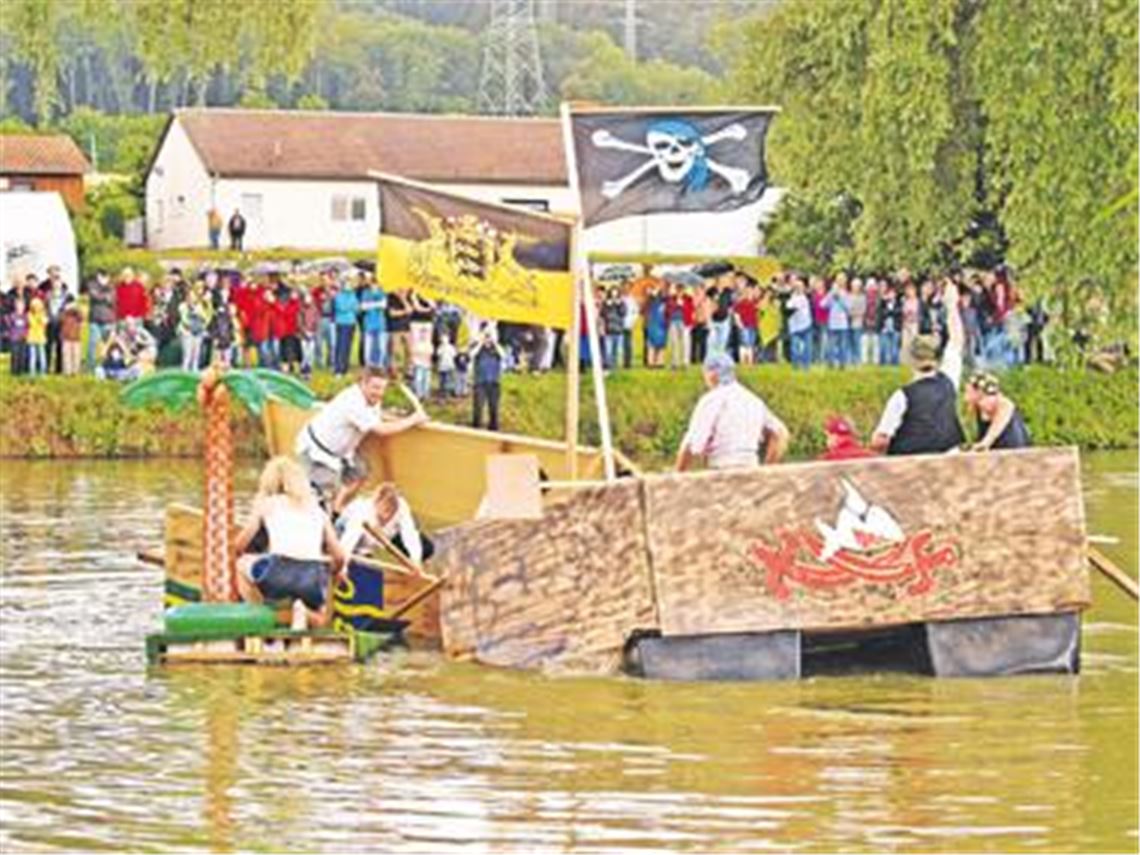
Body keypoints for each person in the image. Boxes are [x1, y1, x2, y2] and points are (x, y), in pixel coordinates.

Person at [235, 457, 348, 630]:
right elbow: (339, 556)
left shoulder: (267, 504)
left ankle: (261, 616)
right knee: (321, 618)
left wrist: (251, 556)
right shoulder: (317, 510)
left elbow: (239, 545)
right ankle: (304, 613)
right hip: (312, 578)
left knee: (241, 565)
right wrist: (335, 572)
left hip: (279, 573)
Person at [295, 367, 428, 511]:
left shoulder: (373, 399)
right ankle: (326, 512)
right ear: (363, 384)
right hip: (317, 452)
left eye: (382, 388)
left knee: (360, 472)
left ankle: (337, 507)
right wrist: (414, 419)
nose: (379, 393)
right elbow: (382, 430)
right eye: (375, 387)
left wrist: (400, 417)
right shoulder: (352, 402)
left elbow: (376, 418)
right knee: (324, 493)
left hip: (343, 452)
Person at [871, 280, 965, 456]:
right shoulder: (949, 381)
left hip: (911, 465)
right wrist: (952, 306)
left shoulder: (902, 396)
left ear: (911, 360)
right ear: (935, 358)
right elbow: (957, 341)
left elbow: (880, 440)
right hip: (949, 460)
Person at [676, 353, 789, 471]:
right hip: (751, 468)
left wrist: (678, 476)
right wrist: (767, 469)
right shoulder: (753, 400)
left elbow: (691, 445)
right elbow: (781, 433)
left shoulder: (711, 400)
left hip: (721, 469)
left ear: (712, 375)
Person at [338, 483, 435, 568]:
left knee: (427, 548)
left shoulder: (401, 507)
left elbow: (409, 533)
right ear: (376, 504)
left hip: (382, 535)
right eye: (385, 510)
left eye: (391, 513)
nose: (387, 517)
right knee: (353, 560)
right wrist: (342, 565)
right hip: (345, 530)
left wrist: (416, 560)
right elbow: (348, 540)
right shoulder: (362, 511)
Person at [964, 372, 1031, 451]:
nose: (965, 396)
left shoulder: (1004, 404)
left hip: (1014, 453)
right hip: (996, 453)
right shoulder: (979, 409)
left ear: (979, 392)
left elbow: (987, 441)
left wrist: (984, 443)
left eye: (968, 391)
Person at [471, 325, 505, 431]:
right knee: (478, 408)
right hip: (480, 383)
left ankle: (493, 428)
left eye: (489, 336)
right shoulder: (478, 349)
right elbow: (471, 354)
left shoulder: (497, 349)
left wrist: (494, 342)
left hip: (494, 383)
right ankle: (476, 427)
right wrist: (481, 342)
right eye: (486, 336)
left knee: (494, 408)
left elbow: (503, 355)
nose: (488, 338)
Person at [85, 269, 116, 370]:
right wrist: (105, 296)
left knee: (108, 345)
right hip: (95, 320)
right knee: (93, 343)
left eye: (106, 277)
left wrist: (105, 296)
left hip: (108, 320)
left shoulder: (111, 287)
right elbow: (95, 296)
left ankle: (107, 364)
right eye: (102, 277)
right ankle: (90, 366)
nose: (104, 279)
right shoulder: (92, 285)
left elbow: (113, 299)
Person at [786, 279, 813, 370]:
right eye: (797, 287)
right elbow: (788, 310)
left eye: (801, 286)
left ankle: (806, 367)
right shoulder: (790, 299)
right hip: (795, 327)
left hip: (806, 325)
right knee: (795, 348)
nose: (799, 288)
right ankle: (795, 365)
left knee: (807, 348)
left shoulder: (806, 297)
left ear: (803, 288)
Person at [59, 296, 83, 376]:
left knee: (76, 355)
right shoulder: (64, 313)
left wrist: (76, 310)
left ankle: (75, 371)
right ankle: (67, 371)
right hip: (66, 336)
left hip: (76, 336)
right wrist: (66, 310)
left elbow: (81, 317)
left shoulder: (77, 312)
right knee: (67, 355)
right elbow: (61, 319)